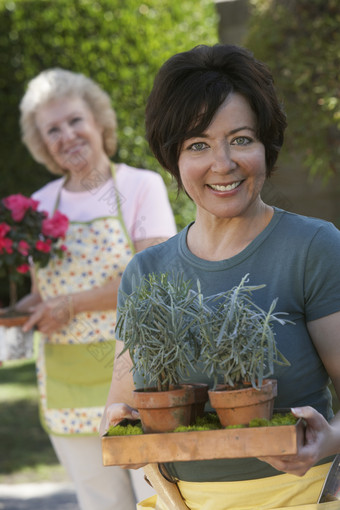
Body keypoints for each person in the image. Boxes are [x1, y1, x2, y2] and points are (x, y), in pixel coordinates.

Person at [100, 44, 340, 510]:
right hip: (178, 500)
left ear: (267, 147)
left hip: (298, 498)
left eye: (242, 139)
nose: (223, 163)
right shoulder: (145, 272)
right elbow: (121, 406)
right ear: (173, 159)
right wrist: (117, 422)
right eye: (198, 145)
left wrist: (329, 441)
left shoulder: (314, 248)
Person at [14, 68, 177, 510]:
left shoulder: (139, 186)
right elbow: (41, 290)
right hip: (66, 378)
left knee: (157, 497)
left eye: (74, 120)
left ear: (99, 122)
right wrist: (18, 313)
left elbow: (152, 281)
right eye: (52, 129)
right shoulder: (40, 204)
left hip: (136, 372)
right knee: (99, 502)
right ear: (41, 142)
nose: (66, 136)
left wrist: (72, 305)